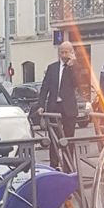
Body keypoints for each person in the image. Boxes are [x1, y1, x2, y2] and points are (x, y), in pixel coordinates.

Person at [37, 41, 79, 169]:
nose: (64, 55)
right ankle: (53, 165)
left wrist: (73, 66)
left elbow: (77, 84)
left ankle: (68, 166)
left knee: (68, 139)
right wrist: (41, 105)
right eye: (62, 52)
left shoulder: (76, 67)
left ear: (72, 52)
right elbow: (45, 87)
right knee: (54, 139)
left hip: (69, 108)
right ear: (59, 52)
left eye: (67, 52)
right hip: (54, 107)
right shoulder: (52, 68)